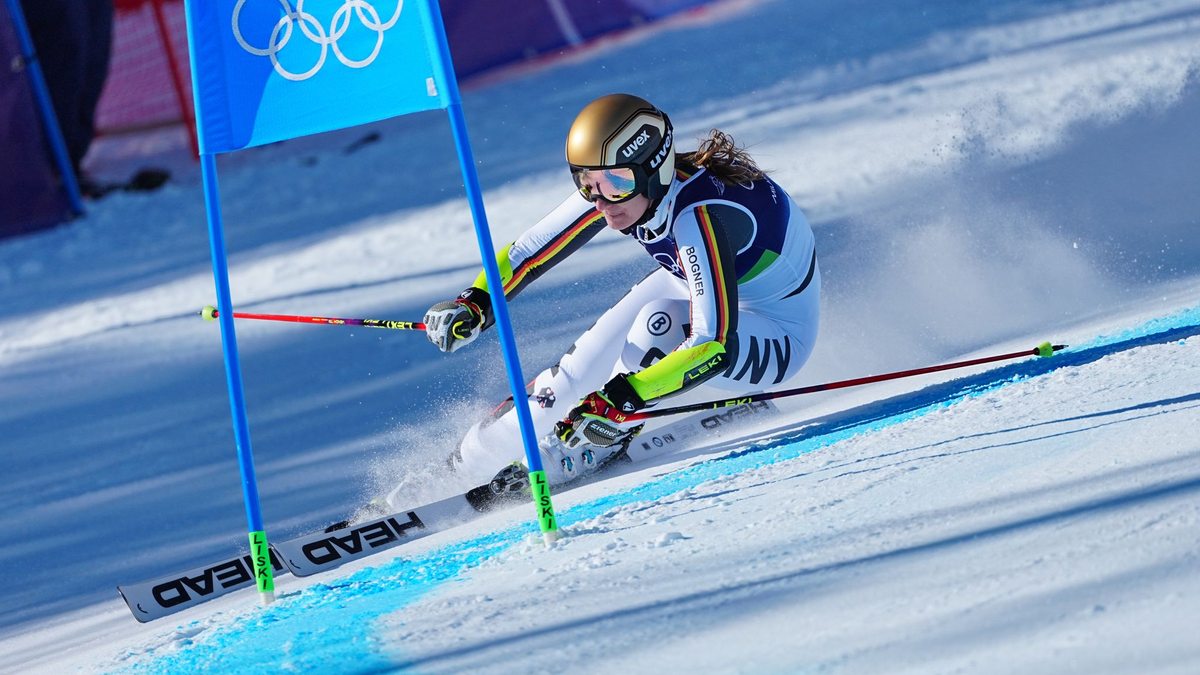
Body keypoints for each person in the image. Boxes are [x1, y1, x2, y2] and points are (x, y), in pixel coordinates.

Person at [424, 93, 820, 486]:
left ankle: (594, 445)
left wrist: (623, 397)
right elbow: (529, 253)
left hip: (775, 331)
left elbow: (713, 345)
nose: (601, 202)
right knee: (565, 385)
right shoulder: (623, 188)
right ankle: (461, 466)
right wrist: (477, 301)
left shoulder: (698, 217)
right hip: (696, 286)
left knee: (657, 324)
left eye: (615, 184)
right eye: (586, 183)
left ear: (654, 170)